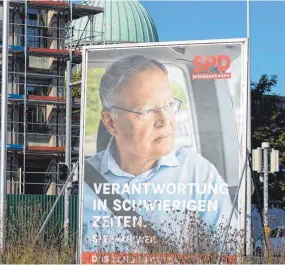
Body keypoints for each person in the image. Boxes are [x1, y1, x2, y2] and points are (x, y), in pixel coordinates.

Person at [81, 55, 238, 258]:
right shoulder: (81, 181)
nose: (165, 120)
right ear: (111, 122)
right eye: (146, 111)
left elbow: (230, 254)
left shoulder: (198, 174)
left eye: (169, 105)